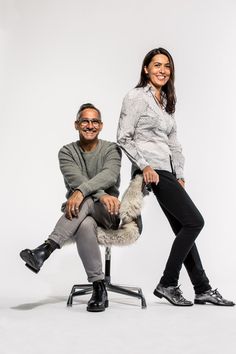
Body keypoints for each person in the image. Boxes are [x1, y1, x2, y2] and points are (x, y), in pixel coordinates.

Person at [117, 48, 234, 307]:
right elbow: (123, 137)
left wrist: (179, 173)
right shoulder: (136, 97)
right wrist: (144, 166)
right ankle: (168, 283)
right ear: (145, 68)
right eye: (156, 65)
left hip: (167, 171)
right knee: (195, 222)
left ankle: (202, 288)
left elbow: (174, 143)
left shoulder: (166, 102)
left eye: (167, 66)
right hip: (152, 171)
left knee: (185, 228)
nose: (162, 70)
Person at [20, 103, 121, 312]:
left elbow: (109, 175)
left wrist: (85, 192)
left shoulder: (112, 149)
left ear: (101, 126)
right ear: (76, 125)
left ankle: (45, 249)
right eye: (85, 121)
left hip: (109, 212)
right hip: (81, 215)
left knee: (82, 198)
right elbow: (76, 179)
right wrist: (94, 192)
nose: (90, 125)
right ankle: (99, 287)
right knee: (84, 226)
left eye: (95, 121)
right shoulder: (66, 152)